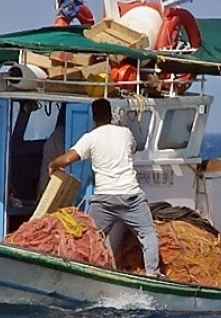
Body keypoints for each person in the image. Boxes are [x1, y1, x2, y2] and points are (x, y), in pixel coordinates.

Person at [47, 98, 161, 277]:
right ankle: (152, 273)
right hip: (131, 196)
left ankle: (87, 272)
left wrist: (54, 164)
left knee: (91, 236)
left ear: (93, 117)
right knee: (147, 233)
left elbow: (69, 158)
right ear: (111, 114)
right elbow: (134, 147)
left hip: (104, 200)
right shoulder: (125, 133)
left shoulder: (90, 138)